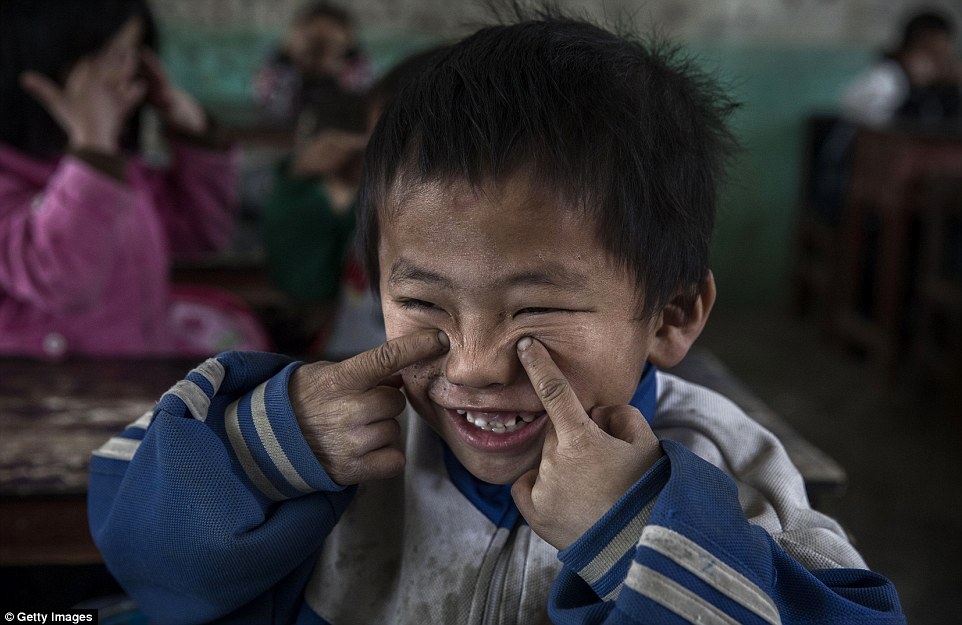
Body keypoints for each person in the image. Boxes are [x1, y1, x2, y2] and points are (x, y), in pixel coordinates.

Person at [88, 7, 906, 624]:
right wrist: (266, 455)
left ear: (673, 313)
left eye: (539, 306)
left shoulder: (730, 471)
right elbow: (141, 552)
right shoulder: (326, 443)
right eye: (419, 302)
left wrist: (638, 532)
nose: (471, 364)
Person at [0, 0, 271, 359]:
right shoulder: (72, 172)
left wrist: (193, 133)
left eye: (135, 54)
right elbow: (62, 281)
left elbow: (200, 234)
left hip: (128, 377)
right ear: (45, 62)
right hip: (42, 396)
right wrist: (93, 149)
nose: (130, 73)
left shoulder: (118, 170)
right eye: (113, 57)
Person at [261, 48, 443, 358]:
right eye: (374, 145)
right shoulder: (364, 213)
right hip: (349, 372)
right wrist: (298, 183)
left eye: (391, 148)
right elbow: (303, 284)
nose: (376, 162)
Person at [253, 2, 373, 131]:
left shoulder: (357, 67)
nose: (318, 48)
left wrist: (336, 73)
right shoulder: (277, 66)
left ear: (347, 40)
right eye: (311, 39)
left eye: (328, 41)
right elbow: (273, 113)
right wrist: (293, 67)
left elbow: (361, 110)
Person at [842, 8, 962, 126]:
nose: (935, 64)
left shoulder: (944, 83)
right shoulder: (885, 78)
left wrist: (952, 90)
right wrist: (912, 88)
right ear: (906, 51)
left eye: (941, 55)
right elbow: (863, 116)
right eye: (929, 54)